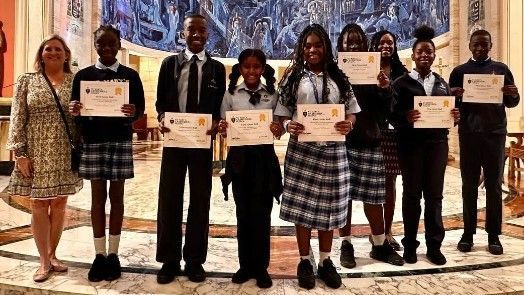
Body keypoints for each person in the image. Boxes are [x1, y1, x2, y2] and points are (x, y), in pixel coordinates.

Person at [275, 24, 360, 290]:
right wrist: (289, 125)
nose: (312, 50)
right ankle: (304, 261)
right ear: (302, 48)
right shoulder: (293, 77)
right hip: (302, 151)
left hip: (334, 151)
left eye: (318, 45)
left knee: (330, 208)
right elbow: (282, 113)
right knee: (303, 210)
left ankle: (324, 261)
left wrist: (349, 123)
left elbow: (352, 110)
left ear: (325, 47)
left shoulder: (339, 77)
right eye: (308, 45)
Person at [69, 25, 145, 282]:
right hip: (93, 141)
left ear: (119, 44)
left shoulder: (130, 76)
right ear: (95, 45)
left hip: (119, 141)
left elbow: (139, 109)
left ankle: (114, 254)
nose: (107, 48)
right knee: (97, 199)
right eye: (101, 44)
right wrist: (76, 109)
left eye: (112, 44)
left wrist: (132, 110)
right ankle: (99, 254)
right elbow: (75, 112)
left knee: (118, 197)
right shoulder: (83, 76)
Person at [155, 14, 226, 284]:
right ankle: (169, 260)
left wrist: (217, 122)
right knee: (169, 198)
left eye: (202, 30)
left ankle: (195, 260)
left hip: (201, 143)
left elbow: (219, 105)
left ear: (208, 35)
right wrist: (162, 117)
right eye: (191, 30)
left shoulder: (217, 69)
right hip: (175, 142)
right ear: (182, 34)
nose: (197, 34)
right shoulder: (169, 64)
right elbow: (161, 101)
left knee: (200, 200)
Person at [6, 34, 83, 282]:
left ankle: (52, 254)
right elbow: (18, 117)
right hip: (36, 151)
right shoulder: (27, 81)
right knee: (38, 204)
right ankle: (42, 261)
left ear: (66, 54)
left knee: (59, 204)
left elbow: (83, 118)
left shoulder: (75, 82)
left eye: (58, 49)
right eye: (48, 49)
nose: (53, 52)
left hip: (63, 150)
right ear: (41, 54)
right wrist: (20, 153)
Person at [390, 26, 460, 266]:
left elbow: (448, 114)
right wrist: (404, 118)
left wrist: (454, 115)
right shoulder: (400, 83)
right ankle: (410, 245)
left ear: (434, 55)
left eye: (429, 52)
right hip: (410, 146)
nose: (425, 55)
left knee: (434, 196)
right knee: (411, 195)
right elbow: (392, 115)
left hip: (437, 145)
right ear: (413, 54)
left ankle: (434, 246)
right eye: (420, 51)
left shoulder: (442, 84)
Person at [336, 24, 404, 269]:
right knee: (344, 198)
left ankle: (378, 245)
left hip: (370, 139)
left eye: (357, 41)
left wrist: (384, 89)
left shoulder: (373, 71)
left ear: (365, 46)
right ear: (341, 46)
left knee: (374, 198)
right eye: (348, 42)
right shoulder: (335, 72)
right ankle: (346, 243)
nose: (353, 46)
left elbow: (384, 111)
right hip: (342, 143)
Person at [449, 29, 520, 255]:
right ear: (469, 45)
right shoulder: (459, 72)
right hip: (469, 135)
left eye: (484, 45)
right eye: (476, 45)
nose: (480, 48)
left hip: (495, 134)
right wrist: (453, 95)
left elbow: (512, 103)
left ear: (491, 46)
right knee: (468, 187)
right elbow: (452, 108)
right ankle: (467, 233)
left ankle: (493, 235)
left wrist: (513, 93)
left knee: (493, 186)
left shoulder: (501, 70)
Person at [218, 49, 283, 289]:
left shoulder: (272, 95)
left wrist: (279, 129)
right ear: (241, 69)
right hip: (239, 160)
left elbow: (280, 125)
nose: (252, 71)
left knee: (262, 215)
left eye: (257, 67)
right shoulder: (231, 94)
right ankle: (245, 265)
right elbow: (224, 126)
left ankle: (261, 267)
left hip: (264, 160)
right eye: (247, 67)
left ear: (263, 69)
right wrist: (224, 127)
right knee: (243, 213)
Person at [369, 30, 409, 251]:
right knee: (372, 184)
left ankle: (388, 231)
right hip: (371, 131)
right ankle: (375, 231)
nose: (386, 46)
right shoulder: (365, 69)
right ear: (374, 46)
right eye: (382, 42)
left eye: (390, 42)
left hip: (393, 134)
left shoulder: (402, 73)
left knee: (390, 184)